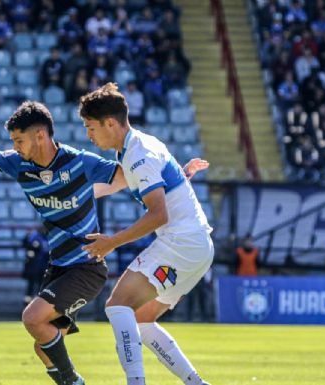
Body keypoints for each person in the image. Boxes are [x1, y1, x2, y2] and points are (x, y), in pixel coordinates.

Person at [0, 102, 205, 385]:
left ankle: (76, 383)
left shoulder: (80, 162)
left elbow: (135, 176)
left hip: (86, 267)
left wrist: (179, 175)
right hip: (58, 268)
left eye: (19, 141)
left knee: (33, 317)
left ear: (40, 135)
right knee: (44, 345)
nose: (15, 148)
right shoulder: (20, 164)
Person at [79, 83, 213, 385]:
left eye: (91, 128)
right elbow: (119, 184)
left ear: (110, 123)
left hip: (181, 243)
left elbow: (158, 215)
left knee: (117, 306)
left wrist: (111, 242)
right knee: (140, 319)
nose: (89, 136)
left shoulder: (138, 155)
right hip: (198, 248)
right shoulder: (138, 147)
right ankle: (196, 383)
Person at [22, 226, 50, 305]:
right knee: (31, 286)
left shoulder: (47, 239)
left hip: (43, 268)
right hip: (33, 268)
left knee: (41, 287)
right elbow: (25, 245)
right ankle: (27, 304)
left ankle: (38, 304)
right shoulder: (34, 237)